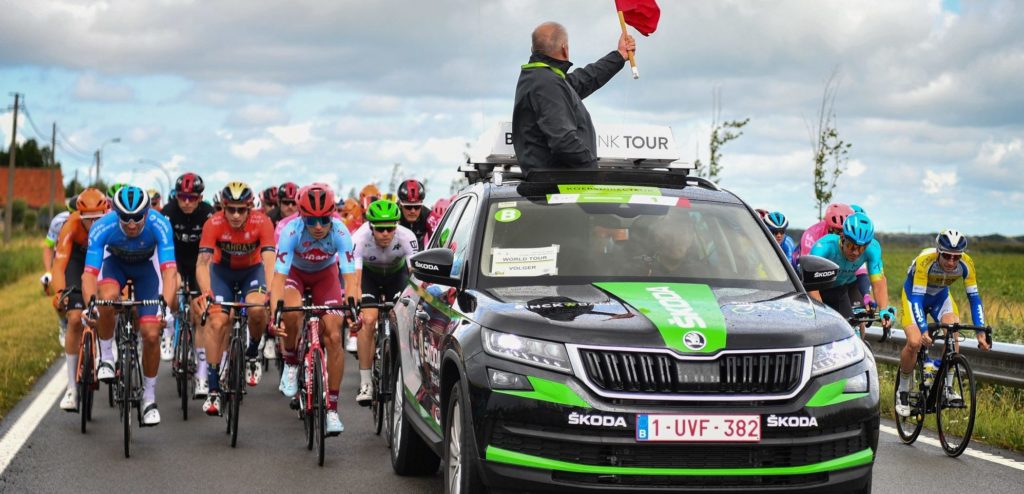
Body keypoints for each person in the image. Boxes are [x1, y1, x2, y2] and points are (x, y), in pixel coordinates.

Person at [82, 186, 177, 426]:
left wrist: (164, 304)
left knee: (151, 334)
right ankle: (106, 357)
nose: (132, 224)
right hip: (115, 266)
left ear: (147, 213)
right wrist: (90, 304)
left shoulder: (161, 224)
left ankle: (149, 399)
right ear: (116, 213)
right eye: (125, 218)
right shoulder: (103, 226)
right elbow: (89, 275)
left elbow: (169, 271)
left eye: (137, 218)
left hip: (147, 271)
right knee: (106, 297)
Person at [272, 184, 359, 435]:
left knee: (333, 335)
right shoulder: (291, 232)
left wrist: (352, 310)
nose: (319, 226)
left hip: (325, 277)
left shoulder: (341, 232)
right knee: (291, 311)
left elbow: (350, 279)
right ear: (301, 216)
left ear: (332, 215)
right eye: (311, 220)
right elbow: (278, 278)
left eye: (324, 219)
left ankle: (332, 408)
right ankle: (290, 361)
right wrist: (275, 313)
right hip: (295, 275)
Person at [511, 22, 636, 173]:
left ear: (533, 49)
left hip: (555, 186)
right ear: (565, 48)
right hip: (560, 189)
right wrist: (592, 170)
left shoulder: (542, 79)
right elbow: (563, 140)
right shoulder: (546, 83)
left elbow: (583, 80)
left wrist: (619, 56)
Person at [195, 182, 275, 415]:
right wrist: (206, 290)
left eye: (242, 210)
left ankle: (252, 352)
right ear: (224, 208)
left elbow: (269, 259)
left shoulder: (263, 222)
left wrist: (269, 291)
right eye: (231, 209)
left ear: (250, 208)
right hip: (222, 273)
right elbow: (202, 263)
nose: (237, 215)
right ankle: (212, 389)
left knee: (257, 310)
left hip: (252, 271)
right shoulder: (214, 223)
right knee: (217, 322)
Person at [894, 229, 990, 417]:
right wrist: (923, 330)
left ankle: (947, 386)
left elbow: (975, 299)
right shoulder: (925, 262)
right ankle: (903, 390)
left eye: (956, 257)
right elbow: (917, 299)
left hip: (940, 298)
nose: (951, 262)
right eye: (947, 256)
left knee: (953, 331)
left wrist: (980, 332)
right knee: (914, 342)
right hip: (915, 297)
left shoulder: (967, 265)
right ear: (938, 251)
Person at [351, 200, 419, 405]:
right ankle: (366, 384)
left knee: (402, 315)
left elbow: (415, 278)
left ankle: (408, 372)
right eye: (380, 229)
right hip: (369, 278)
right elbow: (355, 279)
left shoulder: (407, 237)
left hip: (396, 276)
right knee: (368, 321)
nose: (385, 233)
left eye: (390, 228)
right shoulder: (359, 239)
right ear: (371, 226)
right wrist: (354, 310)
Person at [53, 189, 108, 410]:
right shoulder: (72, 225)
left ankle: (109, 347)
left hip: (103, 260)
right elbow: (60, 264)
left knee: (107, 304)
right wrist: (60, 292)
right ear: (79, 214)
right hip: (78, 260)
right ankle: (71, 389)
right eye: (88, 219)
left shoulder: (112, 225)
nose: (93, 223)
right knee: (75, 318)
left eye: (98, 218)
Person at [161, 173, 215, 390]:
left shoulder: (208, 213)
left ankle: (200, 370)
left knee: (199, 312)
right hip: (174, 260)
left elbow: (212, 250)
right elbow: (162, 245)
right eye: (182, 197)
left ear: (200, 198)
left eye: (191, 198)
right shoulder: (168, 212)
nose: (186, 202)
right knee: (174, 300)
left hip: (199, 263)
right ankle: (173, 326)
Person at [808, 213, 895, 334]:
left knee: (853, 331)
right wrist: (822, 312)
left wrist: (884, 310)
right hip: (813, 289)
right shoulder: (824, 247)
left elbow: (879, 282)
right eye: (851, 246)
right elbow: (811, 285)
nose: (855, 252)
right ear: (842, 237)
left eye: (861, 248)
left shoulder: (873, 249)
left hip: (838, 290)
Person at [42, 197, 76, 345]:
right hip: (62, 260)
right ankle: (63, 323)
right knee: (59, 299)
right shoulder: (58, 222)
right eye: (72, 214)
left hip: (83, 259)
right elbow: (48, 246)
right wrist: (48, 271)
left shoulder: (93, 220)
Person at [397, 179, 429, 245]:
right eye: (408, 206)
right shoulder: (393, 215)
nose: (412, 211)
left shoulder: (428, 215)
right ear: (400, 205)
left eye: (417, 206)